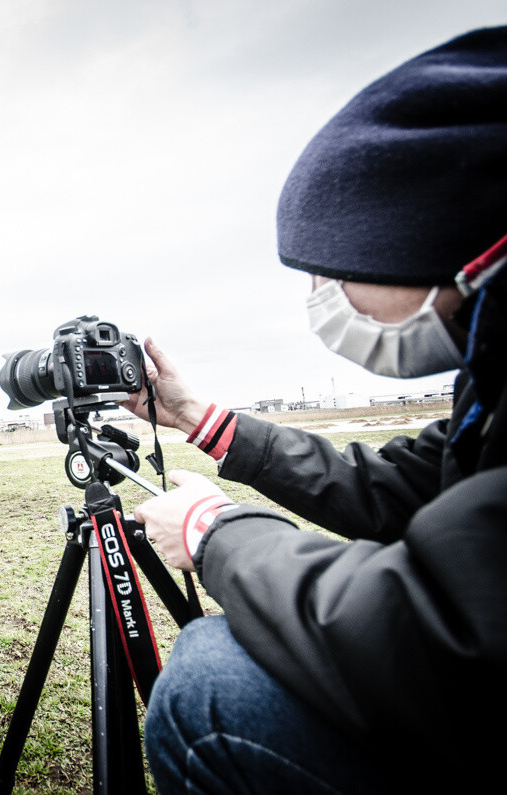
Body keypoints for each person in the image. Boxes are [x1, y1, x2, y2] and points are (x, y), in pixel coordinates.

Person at [124, 28, 507, 792]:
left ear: (426, 243)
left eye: (331, 270)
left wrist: (215, 531)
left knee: (210, 681)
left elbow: (449, 631)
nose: (320, 301)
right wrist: (205, 419)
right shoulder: (491, 375)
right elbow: (400, 487)